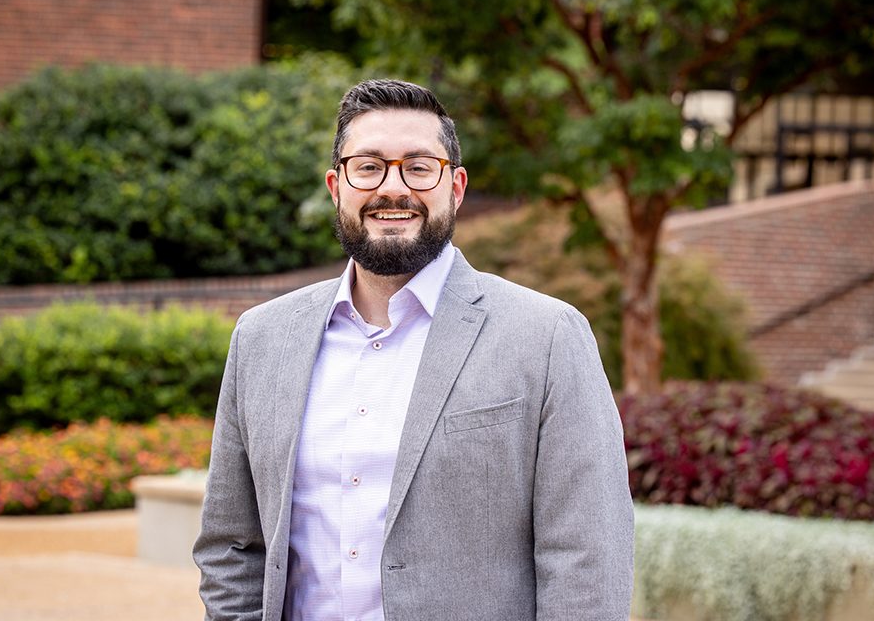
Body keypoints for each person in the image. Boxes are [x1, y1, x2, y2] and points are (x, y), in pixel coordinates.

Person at [193, 79, 634, 621]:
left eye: (419, 167)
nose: (393, 189)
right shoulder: (261, 339)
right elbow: (231, 547)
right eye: (369, 166)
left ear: (456, 187)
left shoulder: (547, 337)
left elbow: (588, 560)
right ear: (337, 186)